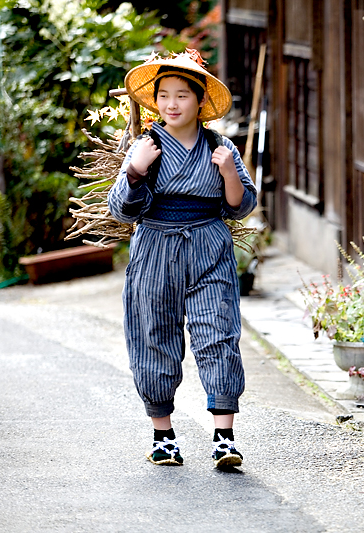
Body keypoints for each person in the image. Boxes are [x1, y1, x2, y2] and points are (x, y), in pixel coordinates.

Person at [108, 50, 257, 469]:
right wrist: (135, 172)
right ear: (155, 101)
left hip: (209, 244)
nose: (172, 104)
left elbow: (240, 207)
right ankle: (163, 436)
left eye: (183, 95)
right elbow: (121, 209)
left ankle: (224, 438)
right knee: (153, 335)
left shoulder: (220, 146)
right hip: (155, 245)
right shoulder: (146, 145)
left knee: (219, 332)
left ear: (200, 102)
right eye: (164, 95)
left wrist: (229, 172)